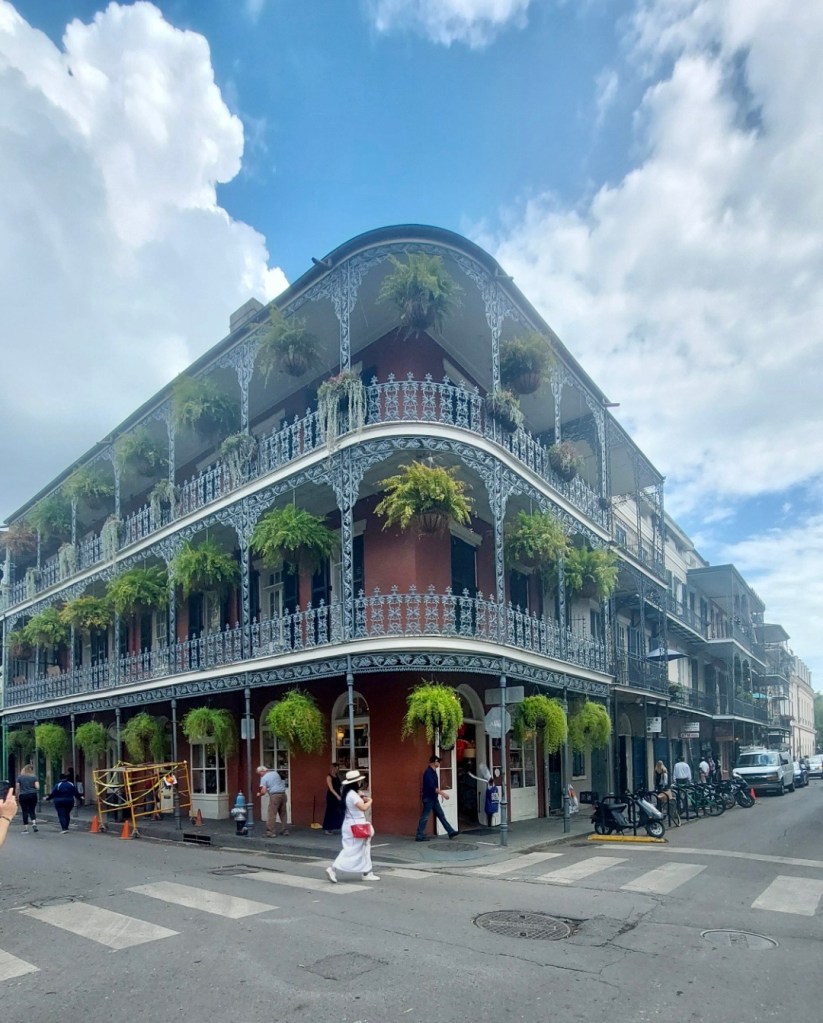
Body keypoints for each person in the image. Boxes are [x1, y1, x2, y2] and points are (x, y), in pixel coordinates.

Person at [325, 770, 379, 883]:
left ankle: (367, 871)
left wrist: (362, 796)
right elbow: (363, 807)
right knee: (354, 850)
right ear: (356, 782)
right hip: (357, 825)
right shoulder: (353, 795)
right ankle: (333, 868)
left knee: (360, 849)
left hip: (350, 824)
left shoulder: (347, 794)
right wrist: (370, 800)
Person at [415, 755, 458, 842]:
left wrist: (439, 794)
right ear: (434, 762)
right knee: (425, 816)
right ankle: (419, 835)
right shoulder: (428, 773)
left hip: (433, 798)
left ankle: (450, 831)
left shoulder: (433, 772)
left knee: (441, 815)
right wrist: (443, 794)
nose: (439, 763)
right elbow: (432, 787)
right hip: (429, 798)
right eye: (438, 762)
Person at [257, 764, 289, 837]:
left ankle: (270, 832)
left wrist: (259, 794)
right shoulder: (275, 773)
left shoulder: (264, 778)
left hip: (275, 795)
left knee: (272, 814)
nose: (260, 775)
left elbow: (263, 791)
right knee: (283, 813)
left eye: (259, 773)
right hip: (283, 794)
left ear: (262, 771)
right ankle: (285, 830)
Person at [15, 763, 40, 834]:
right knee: (32, 810)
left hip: (23, 795)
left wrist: (17, 795)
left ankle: (26, 828)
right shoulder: (34, 777)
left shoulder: (20, 777)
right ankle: (34, 823)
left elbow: (17, 787)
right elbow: (37, 787)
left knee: (24, 811)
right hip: (33, 794)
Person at [322, 763, 345, 834]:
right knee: (330, 811)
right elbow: (331, 788)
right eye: (336, 768)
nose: (337, 770)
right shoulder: (329, 777)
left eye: (338, 769)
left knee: (338, 811)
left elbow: (340, 786)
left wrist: (341, 794)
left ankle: (333, 826)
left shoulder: (337, 776)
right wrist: (337, 796)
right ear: (333, 768)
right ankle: (327, 828)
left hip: (338, 794)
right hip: (332, 796)